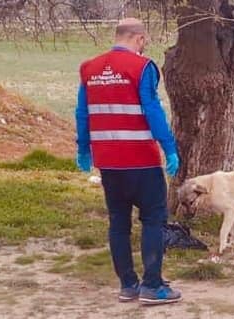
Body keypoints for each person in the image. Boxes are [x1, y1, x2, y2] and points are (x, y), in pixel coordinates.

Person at [75, 18, 181, 305]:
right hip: (141, 160)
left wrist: (84, 149)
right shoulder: (143, 67)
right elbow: (152, 109)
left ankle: (128, 285)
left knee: (118, 223)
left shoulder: (90, 69)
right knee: (153, 219)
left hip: (108, 162)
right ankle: (153, 286)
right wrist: (169, 147)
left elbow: (81, 112)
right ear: (138, 38)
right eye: (143, 40)